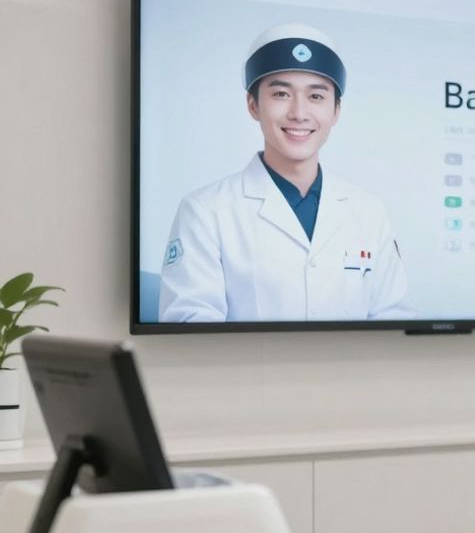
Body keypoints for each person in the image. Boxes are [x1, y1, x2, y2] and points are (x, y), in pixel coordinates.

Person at [159, 24, 412, 322]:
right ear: (253, 105)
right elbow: (190, 327)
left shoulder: (369, 211)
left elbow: (394, 321)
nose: (299, 113)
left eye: (316, 97)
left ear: (336, 111)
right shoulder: (205, 211)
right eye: (281, 94)